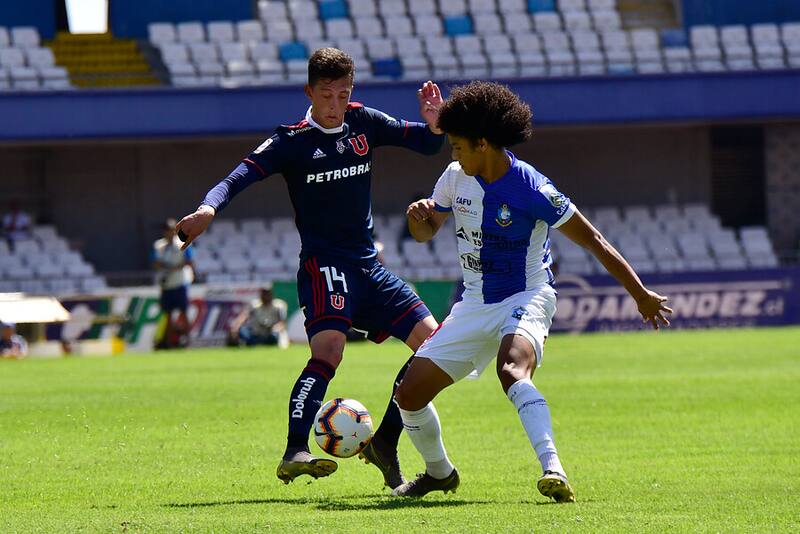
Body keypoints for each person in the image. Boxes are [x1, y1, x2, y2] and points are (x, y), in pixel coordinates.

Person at [176, 48, 446, 487]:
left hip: (370, 267)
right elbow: (237, 177)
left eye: (343, 94)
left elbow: (427, 143)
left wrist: (435, 124)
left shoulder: (364, 122)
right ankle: (295, 449)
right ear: (309, 92)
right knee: (330, 351)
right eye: (327, 96)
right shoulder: (292, 141)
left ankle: (384, 443)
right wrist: (208, 209)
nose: (336, 105)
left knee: (434, 349)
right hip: (325, 266)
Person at [391, 81, 673, 501]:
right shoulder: (455, 176)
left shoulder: (534, 189)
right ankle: (439, 473)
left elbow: (594, 239)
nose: (453, 154)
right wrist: (419, 218)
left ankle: (552, 468)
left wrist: (640, 294)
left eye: (458, 147)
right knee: (408, 394)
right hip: (473, 304)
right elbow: (425, 233)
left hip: (527, 295)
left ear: (483, 143)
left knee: (512, 372)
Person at [152, 218, 194, 349]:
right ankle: (169, 343)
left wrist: (173, 267)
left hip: (180, 283)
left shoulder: (183, 243)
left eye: (171, 230)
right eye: (167, 230)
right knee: (168, 314)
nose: (169, 233)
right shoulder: (159, 246)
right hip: (166, 285)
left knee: (184, 312)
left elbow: (189, 261)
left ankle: (188, 343)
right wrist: (168, 267)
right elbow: (155, 262)